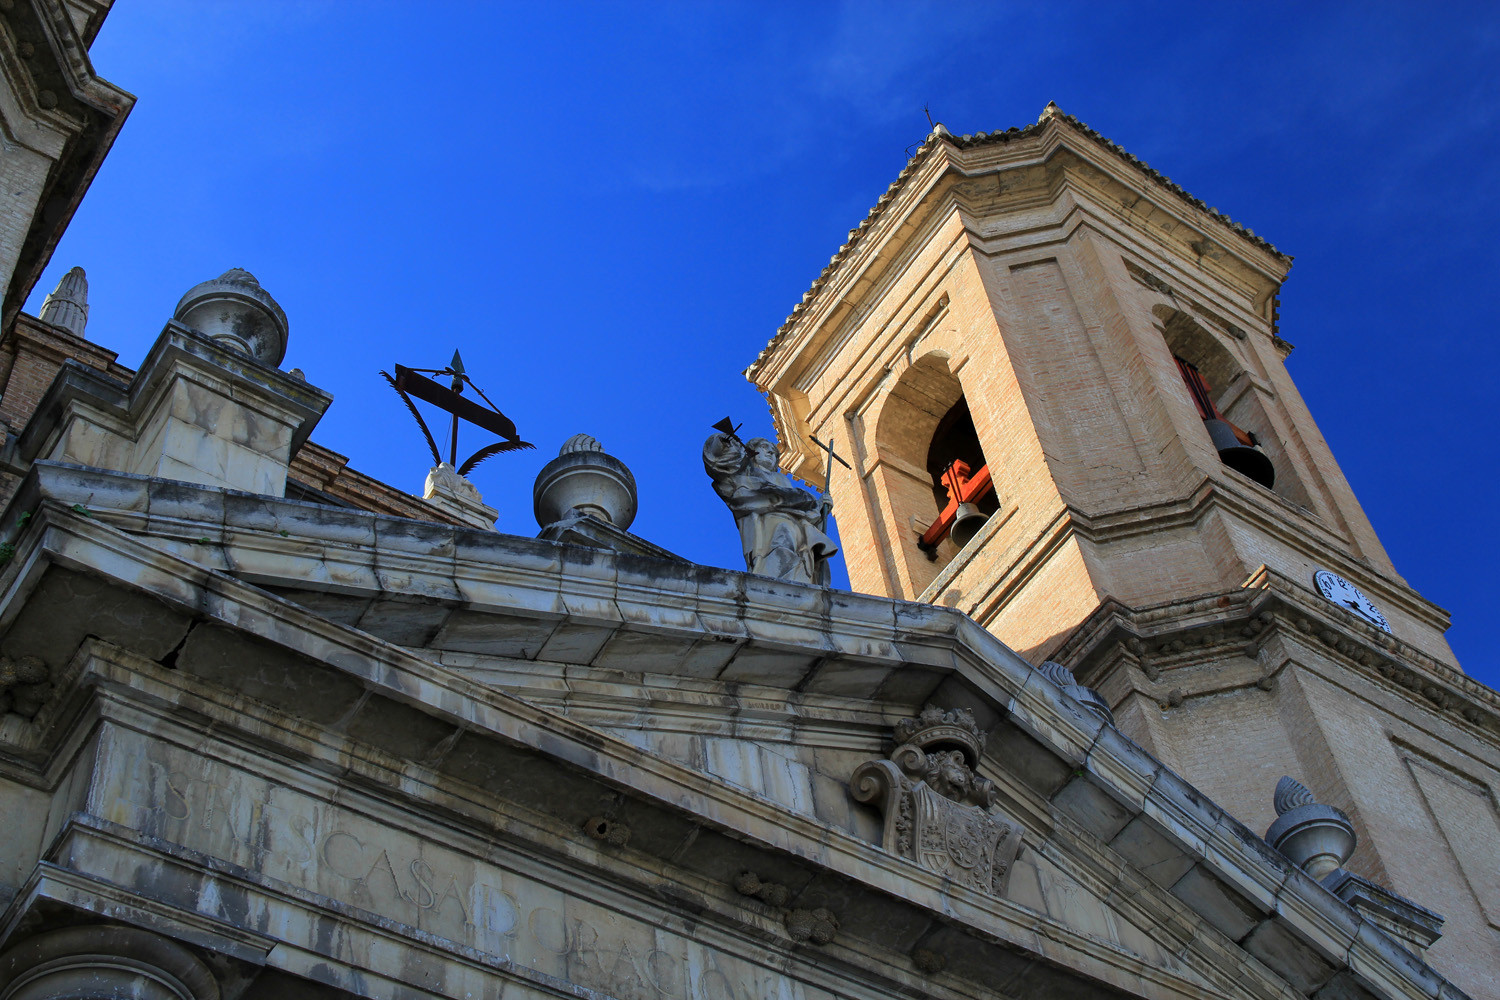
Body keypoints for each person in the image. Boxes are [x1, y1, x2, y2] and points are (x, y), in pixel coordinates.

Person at [702, 434, 837, 586]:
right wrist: (724, 443)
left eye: (774, 452)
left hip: (798, 529)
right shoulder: (745, 474)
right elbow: (720, 462)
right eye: (764, 447)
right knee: (780, 553)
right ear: (751, 452)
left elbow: (804, 513)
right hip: (768, 526)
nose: (771, 452)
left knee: (803, 564)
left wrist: (819, 507)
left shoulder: (782, 480)